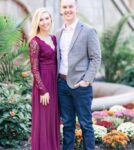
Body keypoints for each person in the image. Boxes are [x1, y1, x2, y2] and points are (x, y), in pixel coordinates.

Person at [57, 0, 101, 150]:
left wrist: (86, 81)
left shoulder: (88, 31)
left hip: (80, 86)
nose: (68, 10)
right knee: (67, 125)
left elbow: (95, 58)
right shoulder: (58, 33)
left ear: (76, 8)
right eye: (65, 7)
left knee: (86, 124)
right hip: (62, 85)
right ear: (61, 10)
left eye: (70, 6)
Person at [29, 8, 60, 150]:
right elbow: (34, 69)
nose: (45, 22)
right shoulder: (35, 42)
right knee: (43, 120)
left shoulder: (53, 38)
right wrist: (43, 90)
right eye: (41, 19)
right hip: (44, 85)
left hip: (54, 82)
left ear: (51, 20)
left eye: (47, 18)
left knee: (52, 119)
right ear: (37, 22)